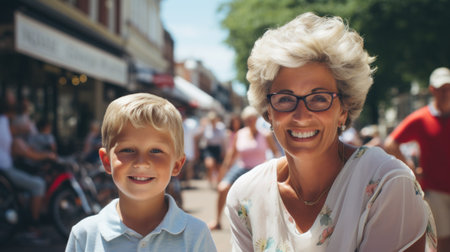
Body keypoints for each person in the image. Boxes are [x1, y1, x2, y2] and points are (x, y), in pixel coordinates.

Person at [225, 12, 436, 251]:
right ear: (268, 113)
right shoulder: (245, 196)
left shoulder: (386, 184)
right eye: (285, 99)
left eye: (319, 98)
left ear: (343, 110)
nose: (302, 115)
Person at [65, 93, 216, 252]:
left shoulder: (196, 235)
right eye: (128, 150)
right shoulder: (85, 235)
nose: (141, 163)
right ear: (106, 161)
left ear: (177, 164)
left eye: (156, 151)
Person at [384, 66, 450, 251]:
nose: (445, 93)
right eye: (441, 89)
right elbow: (391, 143)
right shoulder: (421, 118)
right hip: (435, 190)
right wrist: (410, 168)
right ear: (432, 90)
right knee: (442, 241)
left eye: (448, 88)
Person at [208, 106, 281, 231]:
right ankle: (217, 221)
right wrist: (223, 171)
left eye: (252, 119)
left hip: (259, 169)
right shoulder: (240, 134)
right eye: (247, 120)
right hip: (242, 167)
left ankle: (270, 226)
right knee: (222, 188)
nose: (249, 122)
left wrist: (278, 169)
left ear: (256, 119)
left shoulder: (266, 135)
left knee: (266, 194)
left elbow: (276, 153)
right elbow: (231, 154)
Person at [0, 99, 54, 243]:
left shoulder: (6, 124)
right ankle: (32, 228)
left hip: (8, 168)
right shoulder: (5, 124)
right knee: (38, 184)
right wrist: (46, 155)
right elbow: (27, 151)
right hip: (5, 170)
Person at [199, 111, 227, 186]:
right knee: (210, 165)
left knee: (218, 167)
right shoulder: (207, 128)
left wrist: (224, 151)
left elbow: (224, 141)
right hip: (209, 148)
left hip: (218, 148)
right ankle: (210, 181)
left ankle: (218, 181)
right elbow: (203, 140)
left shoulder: (221, 127)